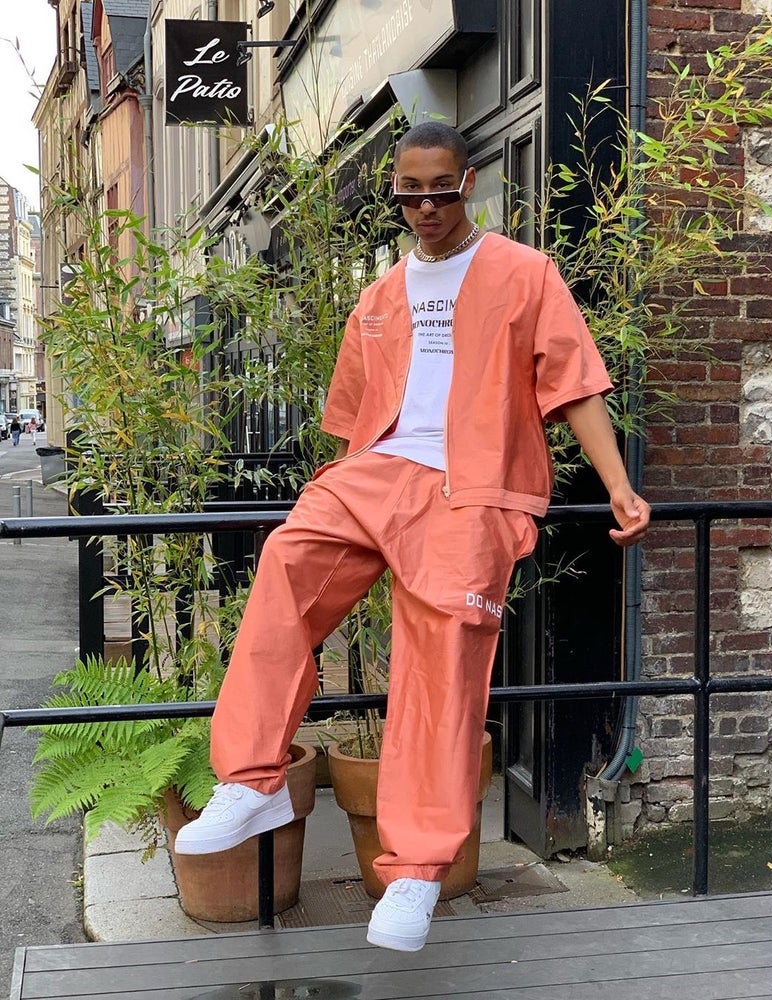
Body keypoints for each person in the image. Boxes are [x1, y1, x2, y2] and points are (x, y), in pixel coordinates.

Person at [175, 122, 651, 952]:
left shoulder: (524, 273)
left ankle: (418, 869)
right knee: (287, 559)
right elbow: (352, 420)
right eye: (410, 193)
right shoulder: (381, 295)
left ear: (468, 183)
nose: (426, 206)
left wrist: (618, 485)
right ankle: (252, 779)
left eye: (440, 189)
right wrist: (339, 491)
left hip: (474, 485)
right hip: (378, 470)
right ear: (395, 193)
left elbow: (575, 385)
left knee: (442, 653)